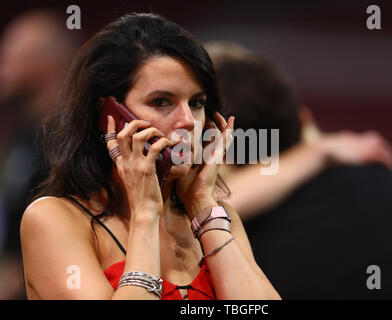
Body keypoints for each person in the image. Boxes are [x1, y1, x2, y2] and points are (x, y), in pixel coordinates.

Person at [20, 13, 280, 300]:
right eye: (161, 102)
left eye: (196, 103)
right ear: (109, 115)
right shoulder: (54, 219)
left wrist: (202, 204)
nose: (188, 121)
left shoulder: (219, 217)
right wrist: (145, 213)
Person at [207, 41, 392, 299]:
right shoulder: (383, 177)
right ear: (305, 121)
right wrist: (319, 151)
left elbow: (205, 207)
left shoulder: (220, 237)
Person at [0, 9, 78, 299]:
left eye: (11, 55)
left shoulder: (71, 143)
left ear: (45, 62)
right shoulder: (25, 130)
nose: (2, 68)